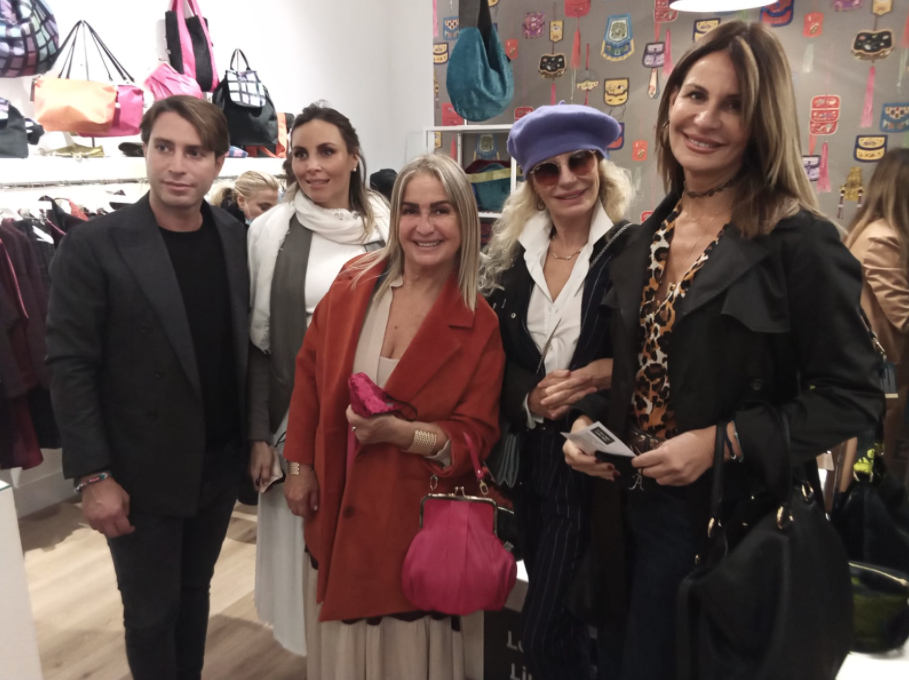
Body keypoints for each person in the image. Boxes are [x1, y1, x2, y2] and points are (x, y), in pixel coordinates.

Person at [562, 21, 882, 680]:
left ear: (761, 124)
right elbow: (641, 373)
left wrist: (723, 442)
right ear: (669, 104)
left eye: (733, 105)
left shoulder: (798, 243)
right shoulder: (639, 241)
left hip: (726, 532)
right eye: (694, 95)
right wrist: (584, 426)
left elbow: (854, 398)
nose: (705, 119)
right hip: (621, 519)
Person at [45, 96, 250, 680]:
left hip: (218, 460)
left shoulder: (233, 237)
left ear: (218, 163)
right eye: (164, 148)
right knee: (151, 612)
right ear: (145, 149)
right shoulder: (94, 245)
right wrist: (93, 475)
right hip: (139, 471)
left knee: (195, 591)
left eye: (195, 152)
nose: (177, 166)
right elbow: (70, 365)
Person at [281, 153, 504, 680]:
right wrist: (299, 466)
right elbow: (309, 377)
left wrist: (404, 435)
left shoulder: (479, 322)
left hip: (410, 525)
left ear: (465, 221)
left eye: (441, 211)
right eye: (411, 210)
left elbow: (474, 438)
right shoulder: (353, 283)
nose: (424, 226)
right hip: (336, 505)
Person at [479, 104, 633, 680]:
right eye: (548, 169)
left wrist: (589, 393)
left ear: (600, 165)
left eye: (580, 161)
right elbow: (496, 357)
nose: (567, 179)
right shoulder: (512, 257)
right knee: (562, 620)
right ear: (532, 183)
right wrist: (527, 399)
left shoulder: (634, 251)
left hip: (594, 459)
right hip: (529, 462)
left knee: (548, 632)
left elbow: (651, 360)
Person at [246, 102, 390, 657]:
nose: (312, 166)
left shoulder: (386, 226)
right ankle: (314, 654)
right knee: (299, 537)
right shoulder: (270, 233)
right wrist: (259, 434)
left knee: (366, 534)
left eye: (326, 151)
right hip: (295, 416)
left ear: (353, 157)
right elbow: (258, 344)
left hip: (372, 416)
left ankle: (359, 652)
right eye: (300, 154)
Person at [845, 148, 909, 486]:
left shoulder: (871, 230)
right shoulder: (883, 239)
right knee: (877, 440)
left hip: (876, 363)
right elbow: (903, 315)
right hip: (882, 366)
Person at [211, 170, 280, 225]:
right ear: (241, 201)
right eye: (264, 207)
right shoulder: (224, 230)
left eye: (275, 209)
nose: (272, 214)